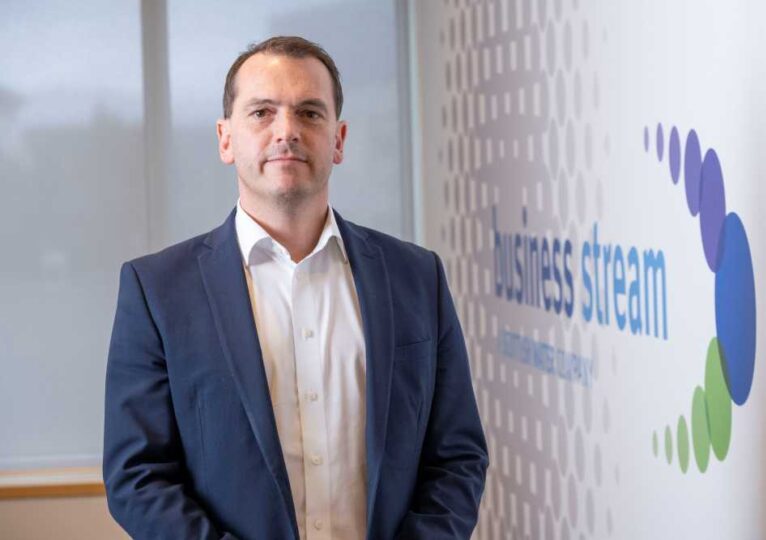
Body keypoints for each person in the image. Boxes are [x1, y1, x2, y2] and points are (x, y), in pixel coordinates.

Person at [103, 35, 488, 540]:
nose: (287, 131)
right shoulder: (156, 291)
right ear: (225, 139)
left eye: (309, 113)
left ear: (339, 139)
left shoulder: (417, 278)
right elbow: (138, 476)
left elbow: (457, 457)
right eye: (262, 113)